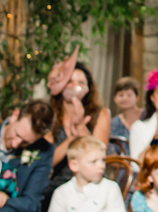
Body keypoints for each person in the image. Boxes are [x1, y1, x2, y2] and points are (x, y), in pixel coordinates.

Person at [48, 61, 112, 194]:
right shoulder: (50, 116)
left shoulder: (100, 113)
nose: (75, 86)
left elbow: (99, 153)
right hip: (57, 185)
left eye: (81, 82)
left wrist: (80, 127)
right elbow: (47, 161)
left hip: (91, 183)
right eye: (70, 81)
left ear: (88, 88)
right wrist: (71, 138)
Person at [110, 77, 144, 146]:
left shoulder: (147, 116)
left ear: (137, 97)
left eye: (129, 95)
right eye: (121, 95)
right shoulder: (113, 124)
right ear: (115, 98)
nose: (125, 98)